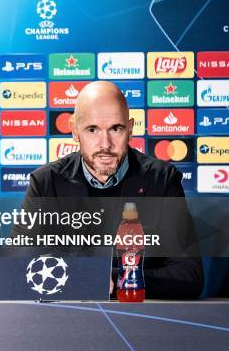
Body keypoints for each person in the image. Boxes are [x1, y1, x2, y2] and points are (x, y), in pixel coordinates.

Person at [16, 81, 203, 299]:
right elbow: (18, 268)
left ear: (130, 129)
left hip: (142, 325)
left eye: (116, 128)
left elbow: (189, 276)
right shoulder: (46, 183)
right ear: (75, 131)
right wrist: (89, 278)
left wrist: (111, 279)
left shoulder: (162, 180)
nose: (105, 144)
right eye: (92, 129)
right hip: (66, 321)